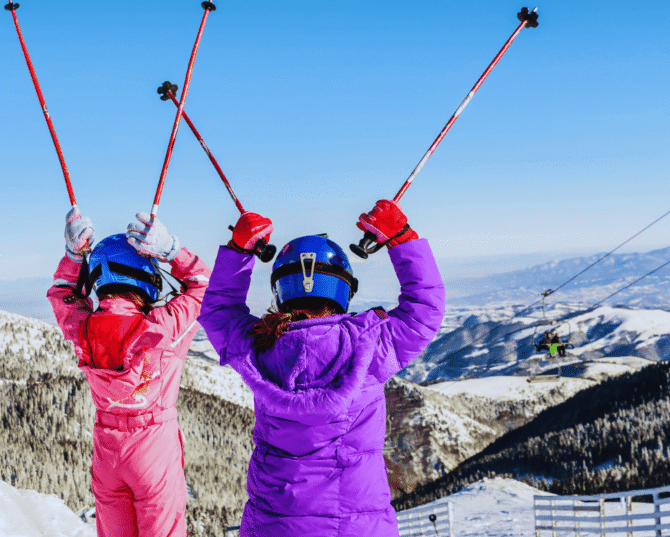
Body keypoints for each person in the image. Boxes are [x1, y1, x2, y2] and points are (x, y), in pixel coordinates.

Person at [199, 199, 445, 536]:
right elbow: (425, 308)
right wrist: (401, 237)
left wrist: (238, 249)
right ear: (344, 289)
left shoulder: (259, 347)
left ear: (280, 291)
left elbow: (218, 311)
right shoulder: (370, 345)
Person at [47, 207, 210, 537]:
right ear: (146, 276)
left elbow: (63, 294)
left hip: (107, 450)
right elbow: (205, 288)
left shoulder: (85, 327)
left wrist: (72, 256)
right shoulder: (159, 325)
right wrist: (172, 251)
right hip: (153, 448)